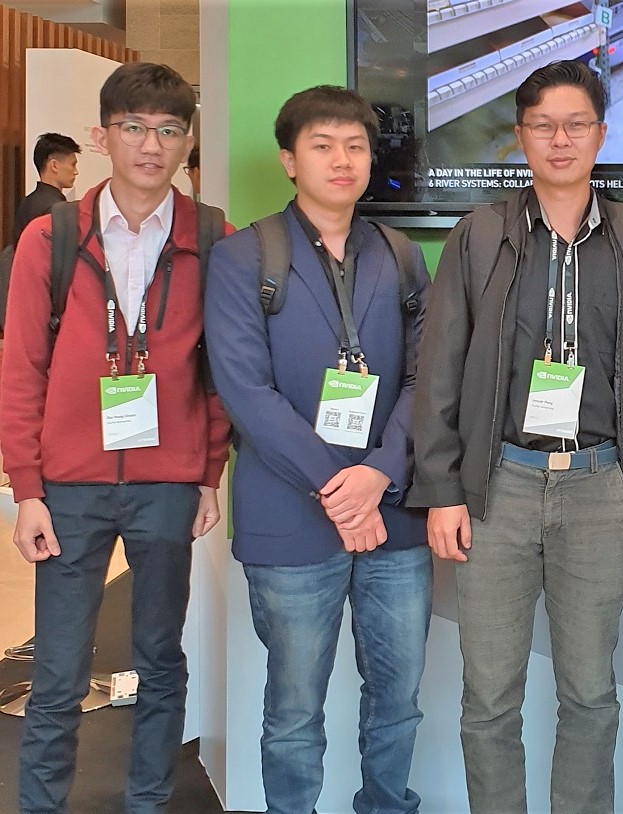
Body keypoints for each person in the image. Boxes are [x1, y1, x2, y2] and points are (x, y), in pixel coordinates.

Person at [410, 60, 623, 812]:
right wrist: (442, 490)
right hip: (496, 486)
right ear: (521, 135)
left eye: (575, 125)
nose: (560, 140)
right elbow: (441, 367)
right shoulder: (481, 233)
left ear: (601, 133)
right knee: (489, 698)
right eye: (543, 126)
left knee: (590, 693)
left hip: (599, 485)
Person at [0, 62, 231, 814]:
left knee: (161, 660)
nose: (151, 145)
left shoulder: (213, 238)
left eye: (168, 130)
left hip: (168, 484)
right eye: (134, 127)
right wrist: (26, 488)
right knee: (59, 671)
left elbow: (222, 369)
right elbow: (22, 368)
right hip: (69, 486)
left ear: (187, 141)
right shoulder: (51, 237)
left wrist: (208, 472)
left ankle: (147, 803)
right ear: (103, 137)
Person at [204, 85, 431, 814]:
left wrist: (379, 474)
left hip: (393, 517)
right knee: (294, 711)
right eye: (323, 145)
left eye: (356, 146)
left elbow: (428, 380)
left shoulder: (399, 255)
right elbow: (246, 392)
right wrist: (342, 489)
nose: (342, 160)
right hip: (292, 518)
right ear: (289, 160)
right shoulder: (243, 256)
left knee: (398, 701)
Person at [12, 132, 81, 244]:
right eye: (73, 165)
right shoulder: (58, 209)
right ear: (54, 165)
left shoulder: (26, 203)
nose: (76, 172)